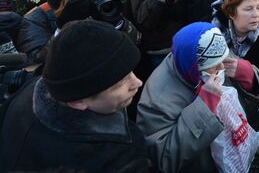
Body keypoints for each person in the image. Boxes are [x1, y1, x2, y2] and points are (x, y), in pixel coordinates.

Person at [0, 20, 148, 172]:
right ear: (78, 101)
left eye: (130, 72)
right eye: (119, 84)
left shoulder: (30, 90)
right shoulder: (117, 155)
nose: (138, 82)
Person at [137, 22, 259, 173]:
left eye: (223, 59)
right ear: (194, 68)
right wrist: (204, 109)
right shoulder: (157, 98)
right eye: (215, 65)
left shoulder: (214, 50)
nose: (222, 67)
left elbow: (242, 103)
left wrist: (249, 74)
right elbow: (164, 158)